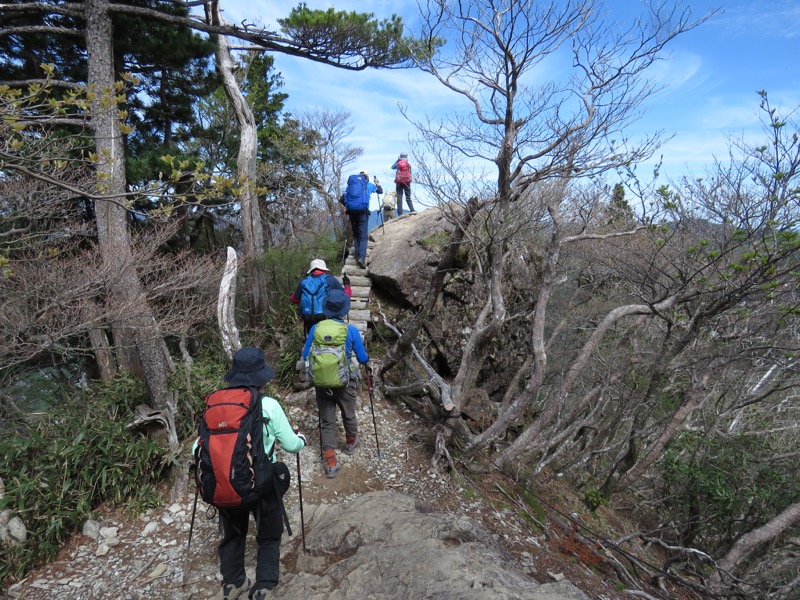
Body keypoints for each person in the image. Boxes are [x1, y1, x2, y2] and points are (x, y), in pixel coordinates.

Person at [204, 347, 307, 600]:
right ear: (260, 376)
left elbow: (199, 446)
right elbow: (291, 445)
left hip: (224, 481)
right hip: (262, 484)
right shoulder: (268, 404)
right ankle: (263, 587)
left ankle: (232, 584)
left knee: (233, 534)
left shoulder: (214, 403)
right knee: (269, 535)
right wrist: (302, 440)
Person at [301, 290, 369, 479]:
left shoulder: (316, 328)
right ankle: (350, 442)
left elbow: (306, 354)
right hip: (344, 382)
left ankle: (330, 462)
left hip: (322, 383)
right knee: (349, 413)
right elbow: (362, 359)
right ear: (344, 310)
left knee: (327, 420)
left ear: (326, 309)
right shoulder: (351, 330)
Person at [290, 259, 351, 336]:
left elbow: (294, 300)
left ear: (312, 270)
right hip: (325, 314)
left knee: (312, 335)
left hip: (307, 315)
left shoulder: (304, 281)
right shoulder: (330, 279)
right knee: (325, 336)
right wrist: (347, 285)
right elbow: (346, 297)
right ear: (323, 269)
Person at [340, 170, 381, 269]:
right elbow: (380, 191)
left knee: (356, 235)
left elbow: (342, 199)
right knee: (363, 237)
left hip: (352, 213)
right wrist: (377, 184)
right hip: (363, 212)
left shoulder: (350, 186)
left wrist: (348, 206)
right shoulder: (369, 185)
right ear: (366, 177)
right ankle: (361, 258)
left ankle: (357, 256)